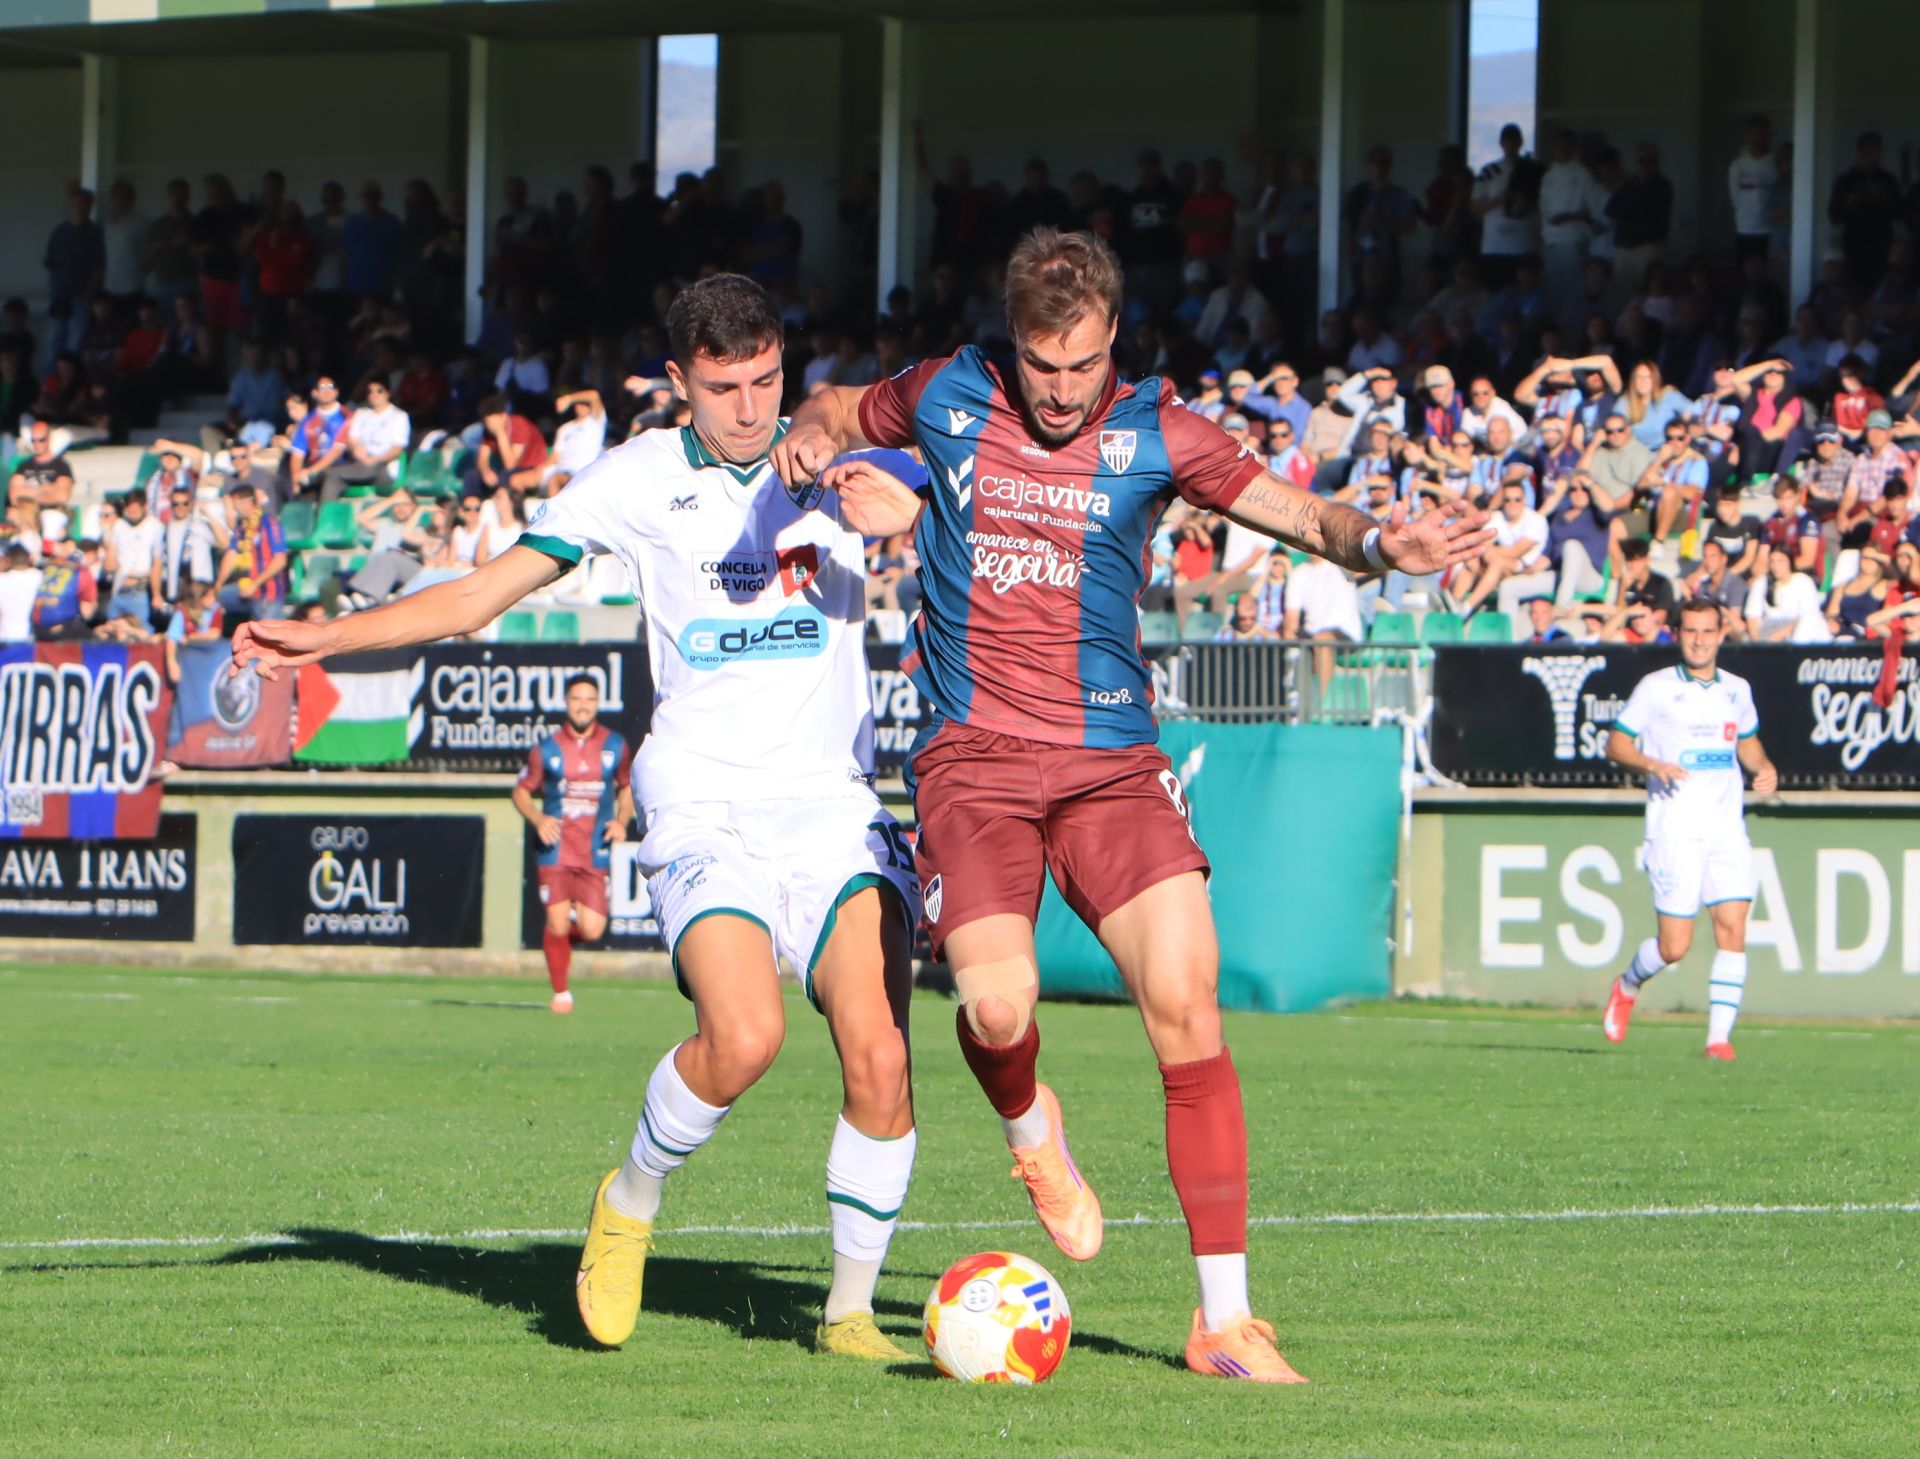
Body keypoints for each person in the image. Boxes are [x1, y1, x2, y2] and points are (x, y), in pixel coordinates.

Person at [770, 225, 1489, 1382]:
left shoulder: (1162, 430)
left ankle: (1224, 1320)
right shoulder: (952, 392)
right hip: (977, 760)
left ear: (1117, 341)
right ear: (1014, 343)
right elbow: (837, 404)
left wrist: (1378, 544)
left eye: (1084, 367)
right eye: (1043, 367)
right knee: (997, 1009)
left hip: (1112, 762)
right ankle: (1031, 1131)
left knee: (1187, 1002)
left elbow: (1300, 514)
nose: (1061, 393)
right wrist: (810, 432)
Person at [234, 273, 925, 1363]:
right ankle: (630, 1201)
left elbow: (996, 526)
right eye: (723, 387)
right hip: (704, 802)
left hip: (835, 806)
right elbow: (473, 598)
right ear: (679, 385)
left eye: (765, 381)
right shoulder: (636, 478)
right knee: (743, 1039)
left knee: (881, 1057)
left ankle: (848, 1315)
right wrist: (322, 638)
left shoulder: (852, 448)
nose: (749, 409)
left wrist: (915, 507)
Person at [1602, 599, 1778, 1060]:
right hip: (1674, 829)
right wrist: (1652, 762)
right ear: (1678, 634)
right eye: (1691, 631)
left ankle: (1718, 1040)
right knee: (1674, 946)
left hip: (1725, 829)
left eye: (1708, 631)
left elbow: (1748, 743)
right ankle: (1628, 983)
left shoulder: (1737, 690)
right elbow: (1616, 743)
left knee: (1732, 926)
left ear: (1722, 635)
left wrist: (1764, 768)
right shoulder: (1656, 688)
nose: (1699, 640)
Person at [512, 674, 634, 1014]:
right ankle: (561, 992)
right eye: (577, 699)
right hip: (555, 851)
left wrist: (622, 821)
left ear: (597, 704)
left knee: (593, 930)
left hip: (594, 849)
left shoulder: (615, 745)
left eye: (589, 700)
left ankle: (556, 943)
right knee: (556, 921)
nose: (583, 705)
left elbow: (627, 786)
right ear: (567, 702)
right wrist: (538, 820)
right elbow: (521, 791)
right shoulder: (547, 749)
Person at [318, 380, 410, 502]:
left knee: (331, 473)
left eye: (379, 391)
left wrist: (376, 459)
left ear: (388, 393)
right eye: (370, 391)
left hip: (384, 466)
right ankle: (325, 518)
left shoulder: (399, 416)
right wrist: (356, 449)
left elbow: (397, 449)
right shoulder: (361, 413)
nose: (374, 394)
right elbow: (352, 439)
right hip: (360, 464)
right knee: (332, 480)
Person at [213, 485, 288, 623]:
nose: (234, 509)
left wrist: (255, 584)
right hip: (244, 589)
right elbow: (232, 555)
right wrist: (217, 586)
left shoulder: (269, 523)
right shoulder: (241, 527)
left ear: (246, 502)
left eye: (235, 505)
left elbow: (280, 560)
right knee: (215, 600)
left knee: (268, 636)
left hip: (268, 593)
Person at [103, 490, 162, 627]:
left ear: (144, 507)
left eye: (134, 511)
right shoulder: (119, 526)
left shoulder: (154, 526)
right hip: (120, 586)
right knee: (113, 628)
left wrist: (156, 594)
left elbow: (156, 562)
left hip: (139, 589)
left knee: (140, 627)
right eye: (128, 511)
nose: (131, 515)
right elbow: (110, 565)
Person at [0, 544, 42, 642]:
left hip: (5, 638)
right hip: (32, 637)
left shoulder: (2, 580)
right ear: (29, 558)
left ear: (8, 560)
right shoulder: (40, 577)